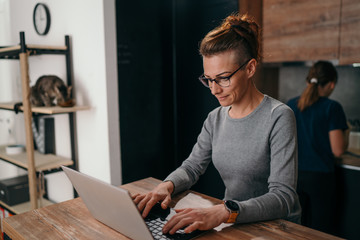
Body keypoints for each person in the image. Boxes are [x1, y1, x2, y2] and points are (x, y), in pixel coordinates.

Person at [133, 13, 301, 235]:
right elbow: (192, 167)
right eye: (209, 79)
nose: (214, 89)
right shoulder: (215, 118)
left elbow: (283, 197)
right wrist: (167, 185)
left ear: (250, 68)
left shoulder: (279, 116)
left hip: (275, 229)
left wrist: (224, 211)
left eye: (223, 78)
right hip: (233, 221)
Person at [287, 61, 349, 234]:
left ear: (308, 82)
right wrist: (347, 134)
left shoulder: (291, 105)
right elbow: (338, 150)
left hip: (293, 177)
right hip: (320, 179)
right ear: (331, 84)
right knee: (320, 232)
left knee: (295, 228)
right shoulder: (332, 108)